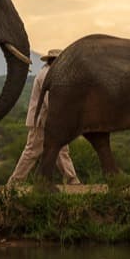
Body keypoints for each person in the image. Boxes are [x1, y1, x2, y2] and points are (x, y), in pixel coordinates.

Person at [7, 48, 81, 186]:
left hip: (48, 121)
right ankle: (15, 182)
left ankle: (72, 178)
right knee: (32, 151)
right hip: (41, 121)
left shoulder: (50, 74)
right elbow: (50, 102)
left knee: (61, 150)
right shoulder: (47, 75)